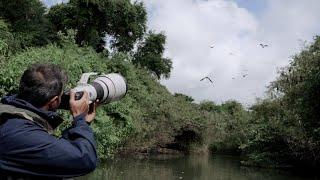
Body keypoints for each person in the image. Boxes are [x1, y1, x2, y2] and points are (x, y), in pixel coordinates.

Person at [0, 63, 98, 179]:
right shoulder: (21, 134)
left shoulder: (9, 114)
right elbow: (84, 160)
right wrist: (80, 120)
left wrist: (83, 122)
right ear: (55, 101)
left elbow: (54, 147)